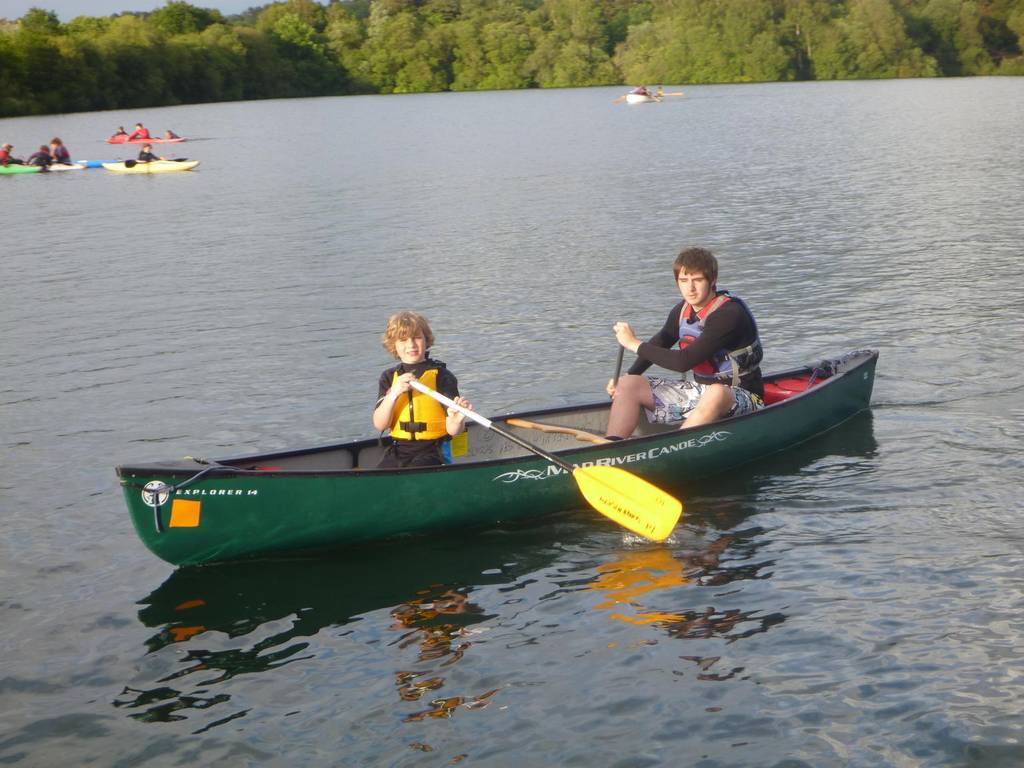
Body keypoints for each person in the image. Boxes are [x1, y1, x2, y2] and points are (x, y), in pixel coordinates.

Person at [605, 247, 764, 439]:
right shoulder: (682, 310)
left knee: (716, 393)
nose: (690, 288)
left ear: (712, 280)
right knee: (628, 384)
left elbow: (683, 361)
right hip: (701, 395)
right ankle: (611, 447)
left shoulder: (729, 314)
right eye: (683, 281)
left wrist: (633, 343)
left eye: (697, 280)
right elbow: (660, 342)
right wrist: (625, 378)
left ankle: (673, 449)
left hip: (746, 398)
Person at [372, 310, 472, 468]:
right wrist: (394, 394)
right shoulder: (389, 377)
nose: (411, 344)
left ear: (426, 340)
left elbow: (454, 431)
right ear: (394, 345)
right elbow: (380, 425)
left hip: (434, 450)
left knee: (415, 471)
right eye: (403, 340)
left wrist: (456, 420)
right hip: (399, 450)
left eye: (417, 337)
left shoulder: (442, 376)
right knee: (379, 475)